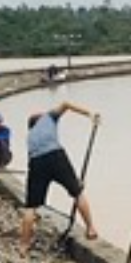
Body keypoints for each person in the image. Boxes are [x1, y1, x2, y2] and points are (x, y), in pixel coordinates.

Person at [18, 100, 100, 251]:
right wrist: (90, 114)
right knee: (78, 192)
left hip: (36, 162)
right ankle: (91, 228)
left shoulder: (30, 136)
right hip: (56, 155)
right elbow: (66, 104)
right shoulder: (48, 117)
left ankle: (24, 244)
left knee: (30, 207)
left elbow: (32, 158)